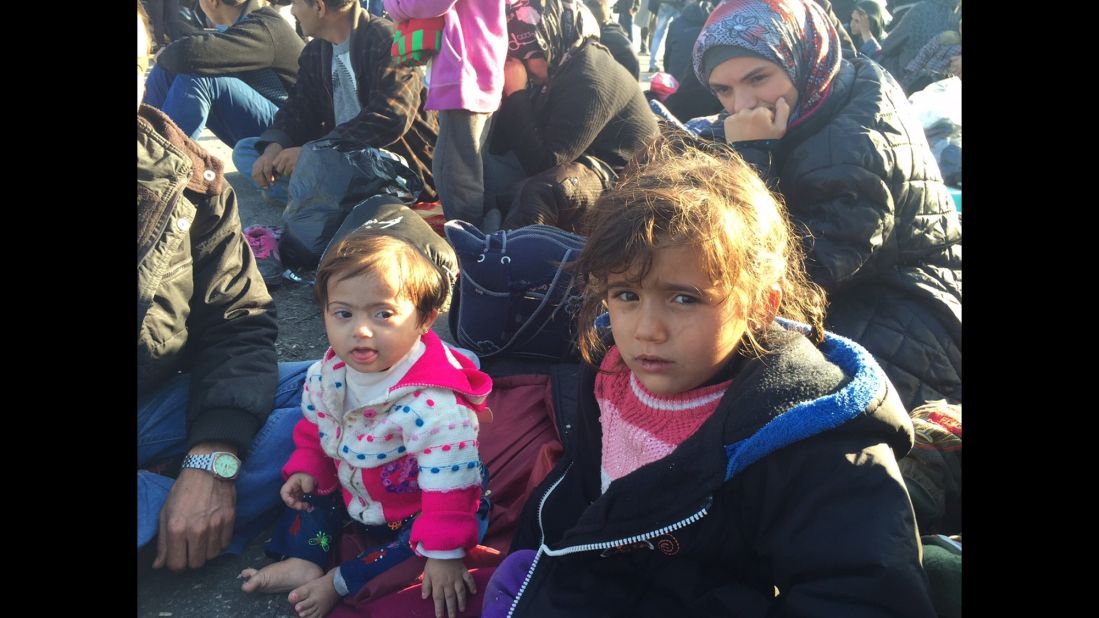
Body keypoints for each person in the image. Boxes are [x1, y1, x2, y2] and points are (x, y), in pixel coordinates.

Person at [481, 140, 935, 617]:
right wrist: (533, 562)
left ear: (762, 304)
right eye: (626, 294)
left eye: (684, 299)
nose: (646, 330)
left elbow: (865, 595)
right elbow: (582, 488)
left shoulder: (815, 438)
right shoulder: (611, 373)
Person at [692, 0, 961, 411]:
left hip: (908, 310)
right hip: (851, 292)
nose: (741, 104)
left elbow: (801, 271)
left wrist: (749, 154)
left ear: (802, 56)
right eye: (723, 90)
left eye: (758, 77)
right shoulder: (820, 97)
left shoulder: (858, 139)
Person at [239, 228, 493, 618]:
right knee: (305, 493)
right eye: (343, 313)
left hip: (424, 507)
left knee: (420, 555)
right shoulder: (330, 372)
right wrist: (308, 465)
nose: (360, 329)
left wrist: (445, 551)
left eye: (383, 314)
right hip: (356, 488)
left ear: (425, 319)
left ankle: (338, 580)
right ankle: (303, 558)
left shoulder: (436, 405)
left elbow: (450, 487)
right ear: (324, 312)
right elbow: (315, 426)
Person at [138, 5, 312, 571]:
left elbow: (237, 316)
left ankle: (176, 493)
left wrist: (213, 457)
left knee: (396, 384)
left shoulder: (274, 27)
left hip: (156, 401)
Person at [231, 0, 438, 209]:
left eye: (296, 3)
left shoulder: (387, 40)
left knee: (325, 178)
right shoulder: (315, 52)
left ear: (319, 7)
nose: (292, 11)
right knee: (247, 151)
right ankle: (332, 203)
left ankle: (326, 203)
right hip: (339, 159)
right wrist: (275, 146)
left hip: (392, 164)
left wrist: (317, 152)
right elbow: (297, 108)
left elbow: (391, 117)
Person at [485, 0, 657, 232]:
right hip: (585, 166)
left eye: (528, 56)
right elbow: (501, 145)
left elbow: (545, 164)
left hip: (624, 185)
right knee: (492, 166)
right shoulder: (561, 63)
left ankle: (511, 255)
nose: (521, 66)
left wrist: (517, 94)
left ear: (552, 36)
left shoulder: (590, 77)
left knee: (541, 191)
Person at [383, 0, 508, 229]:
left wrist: (394, 5)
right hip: (482, 67)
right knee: (475, 169)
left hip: (464, 71)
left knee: (455, 174)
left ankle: (472, 246)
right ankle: (490, 238)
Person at [142, 0, 305, 148]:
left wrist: (165, 54)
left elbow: (190, 54)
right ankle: (141, 141)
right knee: (167, 69)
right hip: (273, 122)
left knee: (199, 77)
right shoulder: (249, 23)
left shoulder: (264, 27)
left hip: (290, 133)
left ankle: (161, 164)